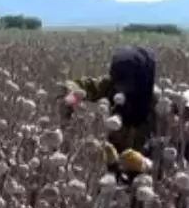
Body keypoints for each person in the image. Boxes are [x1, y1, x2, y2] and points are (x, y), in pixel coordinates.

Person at [58, 46, 163, 181]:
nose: (120, 87)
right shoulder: (109, 85)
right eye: (118, 79)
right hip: (104, 165)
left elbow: (164, 144)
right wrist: (72, 98)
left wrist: (146, 164)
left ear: (142, 79)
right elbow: (77, 86)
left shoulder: (156, 103)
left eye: (127, 81)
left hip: (141, 170)